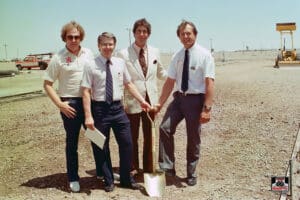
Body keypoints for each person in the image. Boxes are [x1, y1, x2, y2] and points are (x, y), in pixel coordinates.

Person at [81, 32, 151, 192]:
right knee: (101, 146)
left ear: (114, 45)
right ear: (99, 46)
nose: (107, 47)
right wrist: (88, 116)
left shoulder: (120, 62)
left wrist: (142, 101)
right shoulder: (90, 65)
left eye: (110, 44)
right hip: (99, 110)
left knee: (127, 144)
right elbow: (85, 91)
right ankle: (108, 180)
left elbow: (129, 84)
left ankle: (126, 179)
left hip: (118, 109)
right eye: (104, 44)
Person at [155, 20, 215, 186]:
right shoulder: (177, 56)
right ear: (179, 37)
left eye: (189, 33)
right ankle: (167, 168)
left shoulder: (205, 55)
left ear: (195, 34)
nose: (186, 36)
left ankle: (191, 172)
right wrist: (160, 103)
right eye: (183, 34)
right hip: (179, 99)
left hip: (196, 100)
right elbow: (169, 81)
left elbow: (209, 82)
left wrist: (207, 109)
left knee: (193, 137)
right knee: (164, 128)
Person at [43, 21, 97, 192]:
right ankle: (73, 177)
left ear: (81, 37)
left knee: (97, 139)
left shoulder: (89, 53)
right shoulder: (58, 58)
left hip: (89, 102)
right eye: (70, 37)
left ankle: (103, 172)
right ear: (64, 38)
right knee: (72, 142)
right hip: (70, 104)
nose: (74, 40)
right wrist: (60, 104)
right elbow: (47, 84)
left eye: (77, 37)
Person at [116, 18, 167, 176]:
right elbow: (121, 80)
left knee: (150, 135)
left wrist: (176, 74)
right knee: (131, 135)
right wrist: (122, 102)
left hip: (151, 101)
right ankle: (132, 167)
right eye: (139, 31)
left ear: (149, 34)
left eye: (145, 31)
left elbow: (161, 73)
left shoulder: (155, 51)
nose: (142, 34)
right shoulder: (123, 54)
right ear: (134, 33)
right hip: (132, 101)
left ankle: (148, 167)